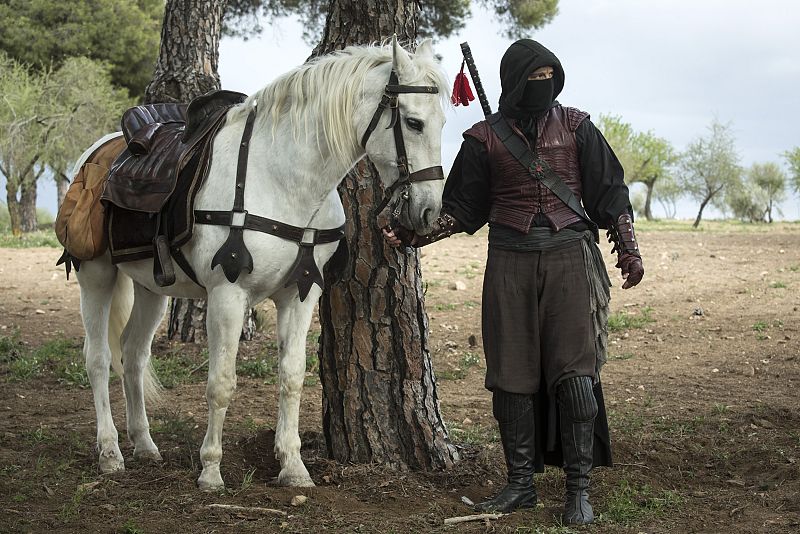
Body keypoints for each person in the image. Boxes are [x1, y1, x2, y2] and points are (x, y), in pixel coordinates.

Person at [383, 39, 643, 525]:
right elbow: (461, 209)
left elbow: (611, 191)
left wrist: (628, 247)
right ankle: (519, 484)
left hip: (569, 260)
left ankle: (578, 489)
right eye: (533, 79)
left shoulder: (578, 127)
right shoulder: (484, 138)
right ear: (514, 82)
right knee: (511, 379)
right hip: (509, 261)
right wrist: (411, 234)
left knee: (577, 378)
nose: (542, 87)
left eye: (550, 78)